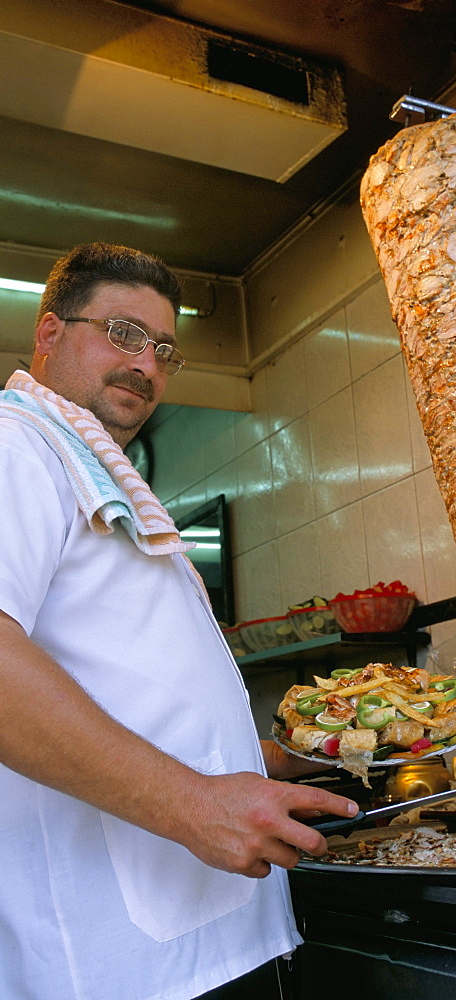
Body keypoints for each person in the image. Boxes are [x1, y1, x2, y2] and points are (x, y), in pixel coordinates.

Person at [0, 243, 358, 1000]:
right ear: (49, 333)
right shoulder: (17, 447)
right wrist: (193, 803)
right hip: (119, 968)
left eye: (163, 348)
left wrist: (265, 757)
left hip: (216, 939)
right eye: (123, 334)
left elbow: (137, 690)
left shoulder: (101, 475)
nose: (147, 364)